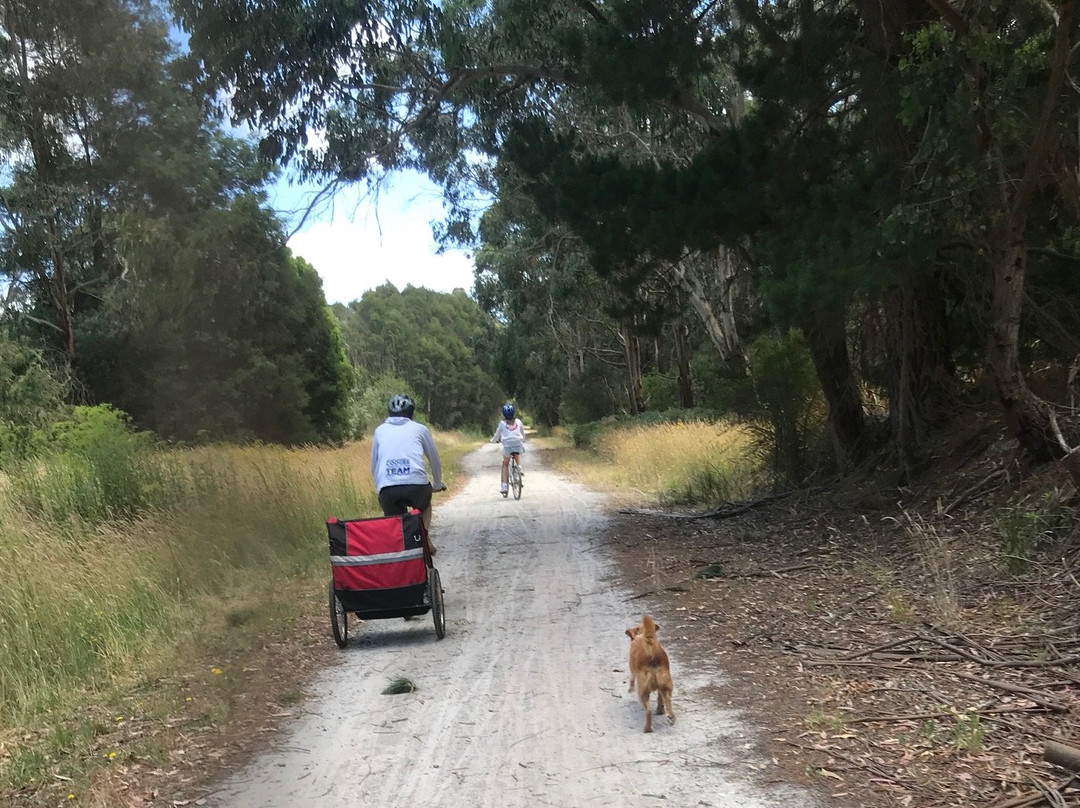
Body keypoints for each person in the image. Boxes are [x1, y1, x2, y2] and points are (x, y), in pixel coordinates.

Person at [370, 394, 445, 545]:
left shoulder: (380, 431)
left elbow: (374, 464)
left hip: (388, 488)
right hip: (416, 486)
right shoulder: (420, 429)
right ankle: (423, 537)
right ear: (411, 412)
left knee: (395, 523)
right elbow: (434, 459)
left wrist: (381, 487)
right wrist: (437, 484)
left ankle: (401, 549)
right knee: (425, 506)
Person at [490, 402, 526, 495]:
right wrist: (524, 440)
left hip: (507, 446)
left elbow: (497, 435)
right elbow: (522, 433)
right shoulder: (518, 422)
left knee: (505, 464)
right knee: (517, 453)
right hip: (518, 443)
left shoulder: (502, 424)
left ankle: (504, 486)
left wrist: (492, 441)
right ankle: (519, 469)